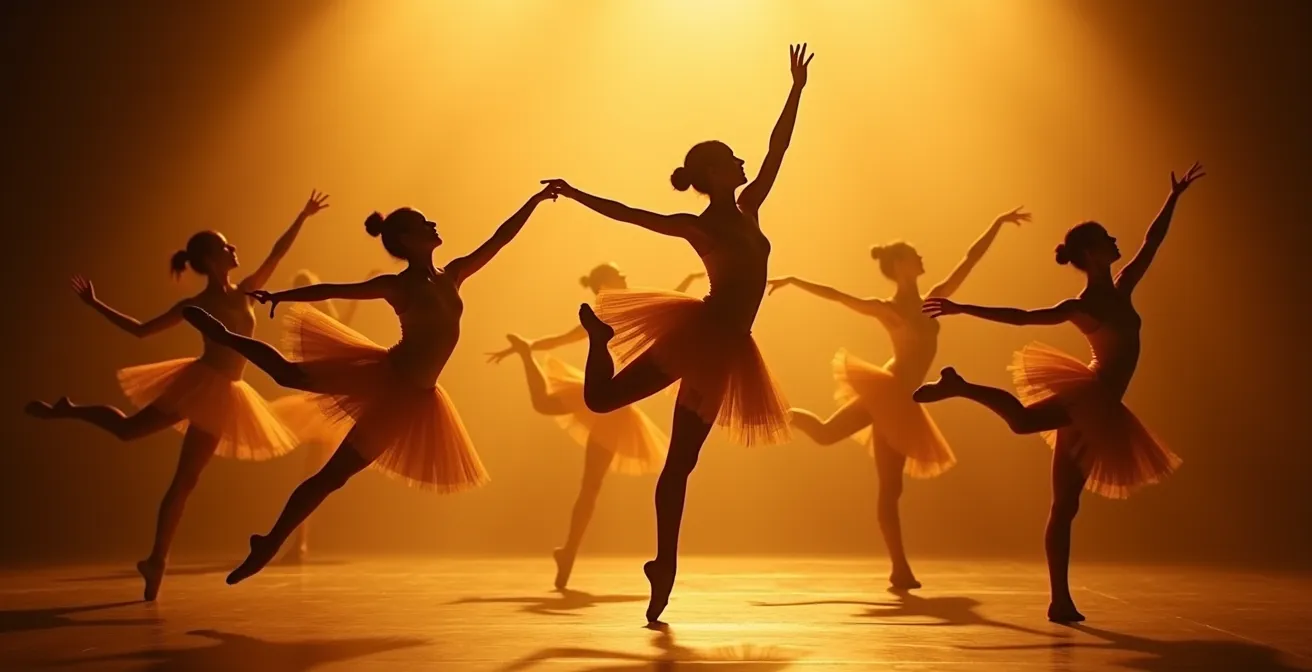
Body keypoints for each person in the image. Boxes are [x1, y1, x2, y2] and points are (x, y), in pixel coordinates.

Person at [540, 43, 814, 623]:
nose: (743, 164)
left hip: (728, 349)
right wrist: (573, 191)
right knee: (602, 399)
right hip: (702, 334)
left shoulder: (750, 208)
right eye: (731, 160)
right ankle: (598, 341)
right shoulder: (698, 225)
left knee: (680, 466)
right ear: (712, 172)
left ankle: (663, 565)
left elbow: (777, 148)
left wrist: (796, 89)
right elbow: (627, 213)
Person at [180, 183, 560, 584]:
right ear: (407, 240)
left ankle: (268, 542)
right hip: (388, 378)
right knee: (290, 378)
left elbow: (499, 239)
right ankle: (224, 338)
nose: (433, 223)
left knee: (333, 477)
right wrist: (281, 296)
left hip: (416, 399)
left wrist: (532, 203)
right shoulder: (398, 286)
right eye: (422, 223)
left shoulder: (455, 273)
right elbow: (337, 289)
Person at [913, 163, 1204, 621]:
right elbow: (1022, 316)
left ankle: (1060, 599)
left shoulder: (1123, 288)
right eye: (1106, 238)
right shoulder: (1081, 307)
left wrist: (1174, 198)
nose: (1116, 241)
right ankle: (961, 386)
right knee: (1026, 426)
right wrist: (961, 307)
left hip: (1103, 407)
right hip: (1088, 397)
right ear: (1091, 253)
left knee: (1065, 504)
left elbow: (1152, 243)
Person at [26, 190, 330, 600]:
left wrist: (303, 215)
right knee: (145, 447)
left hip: (224, 392)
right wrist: (96, 305)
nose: (234, 248)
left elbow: (276, 254)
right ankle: (155, 558)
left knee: (166, 463)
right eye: (226, 247)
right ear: (209, 260)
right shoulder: (195, 304)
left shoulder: (245, 291)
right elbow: (140, 330)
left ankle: (155, 560)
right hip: (203, 385)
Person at [767, 206, 1029, 589]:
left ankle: (899, 569)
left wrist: (997, 224)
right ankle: (900, 569)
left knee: (850, 454)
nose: (922, 258)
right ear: (900, 265)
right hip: (889, 390)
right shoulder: (888, 309)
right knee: (864, 466)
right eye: (915, 255)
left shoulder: (936, 299)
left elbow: (968, 260)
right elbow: (840, 297)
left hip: (904, 398)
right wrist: (794, 280)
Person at [486, 263, 704, 589]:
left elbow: (669, 303)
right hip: (608, 399)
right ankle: (569, 551)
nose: (627, 277)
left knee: (588, 484)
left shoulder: (629, 306)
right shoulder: (604, 311)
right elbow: (559, 339)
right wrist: (527, 347)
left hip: (615, 406)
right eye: (621, 275)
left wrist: (686, 281)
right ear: (606, 283)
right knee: (586, 481)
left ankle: (569, 551)